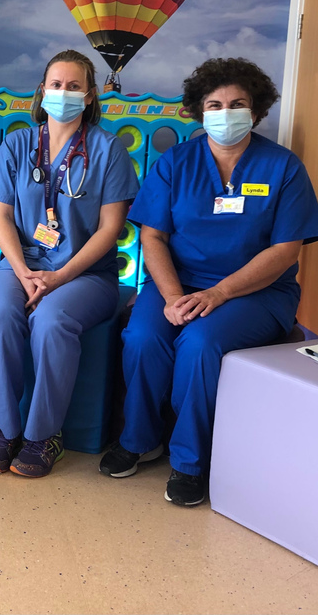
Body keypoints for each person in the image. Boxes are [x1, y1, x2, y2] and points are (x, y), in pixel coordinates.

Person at [99, 58, 318, 506]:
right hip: (177, 284)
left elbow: (285, 251)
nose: (226, 113)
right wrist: (173, 296)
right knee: (142, 337)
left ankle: (190, 460)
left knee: (200, 343)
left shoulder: (283, 168)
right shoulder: (176, 163)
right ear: (200, 110)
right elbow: (152, 236)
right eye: (215, 105)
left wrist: (220, 293)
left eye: (237, 104)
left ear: (256, 110)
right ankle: (140, 439)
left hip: (256, 292)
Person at [0, 49, 139, 478]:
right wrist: (23, 271)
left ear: (89, 96)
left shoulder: (108, 150)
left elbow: (110, 230)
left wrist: (58, 277)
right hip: (21, 264)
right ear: (42, 90)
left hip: (85, 274)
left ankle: (44, 435)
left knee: (50, 321)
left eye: (73, 86)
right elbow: (0, 215)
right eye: (56, 84)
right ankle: (5, 430)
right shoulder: (17, 144)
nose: (63, 92)